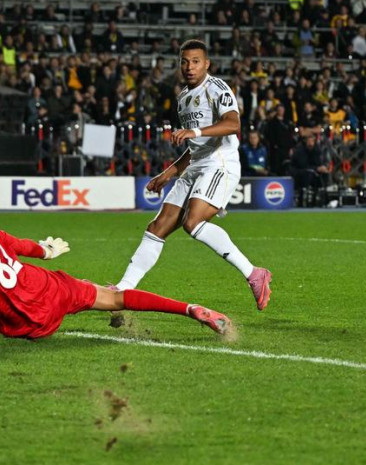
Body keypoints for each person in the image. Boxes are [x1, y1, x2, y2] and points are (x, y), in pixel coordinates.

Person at [0, 190, 232, 347]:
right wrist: (46, 251)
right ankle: (191, 309)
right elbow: (18, 245)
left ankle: (81, 293)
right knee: (114, 298)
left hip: (31, 314)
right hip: (46, 284)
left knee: (0, 326)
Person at [111, 40, 272, 327]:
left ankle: (254, 273)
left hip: (220, 163)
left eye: (196, 61)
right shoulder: (184, 97)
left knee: (193, 222)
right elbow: (194, 146)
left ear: (206, 64)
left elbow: (233, 124)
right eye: (185, 61)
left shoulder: (217, 88)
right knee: (157, 227)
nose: (189, 67)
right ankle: (123, 289)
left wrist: (193, 131)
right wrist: (168, 172)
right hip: (196, 165)